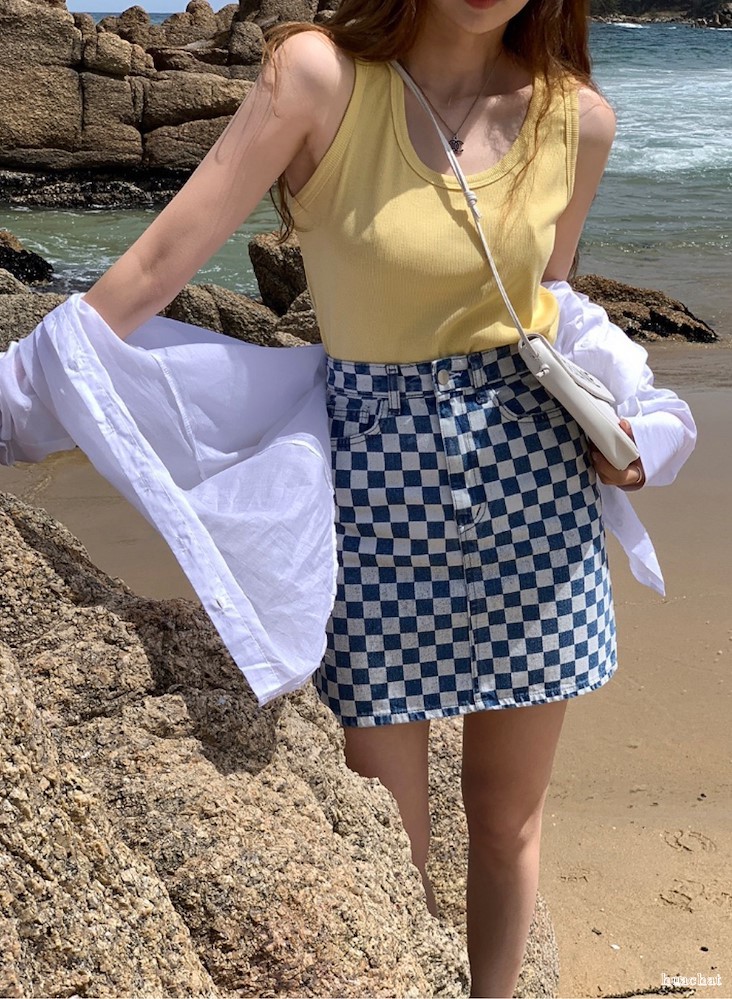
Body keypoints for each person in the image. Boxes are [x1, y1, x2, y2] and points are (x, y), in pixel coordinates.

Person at [79, 2, 694, 996]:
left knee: (507, 821)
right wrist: (24, 395)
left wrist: (635, 431)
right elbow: (153, 267)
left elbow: (556, 305)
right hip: (373, 496)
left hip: (535, 497)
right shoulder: (318, 77)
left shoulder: (577, 120)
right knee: (387, 832)